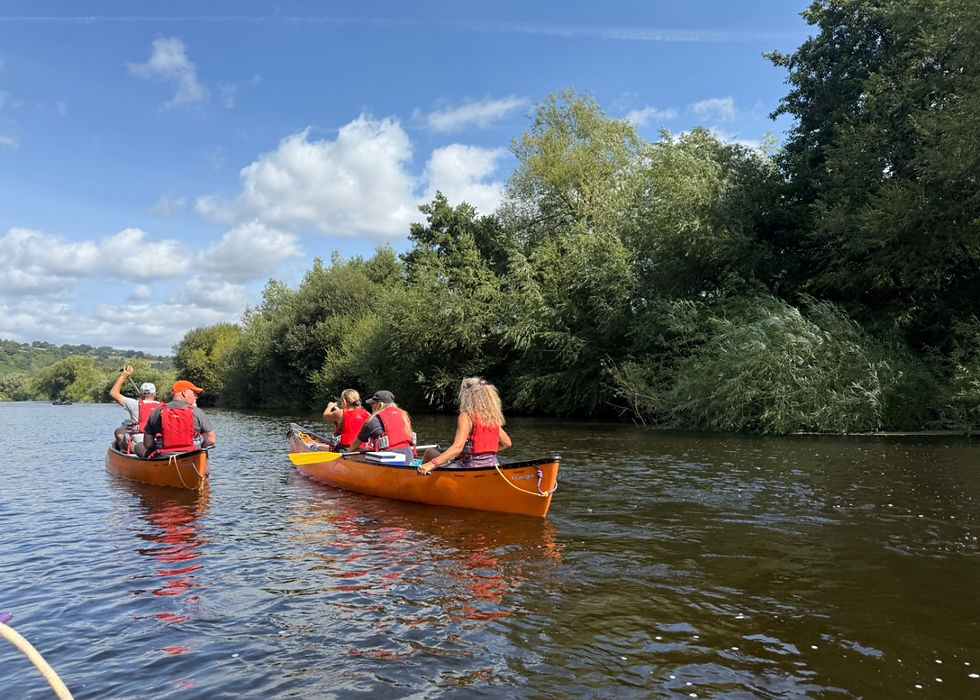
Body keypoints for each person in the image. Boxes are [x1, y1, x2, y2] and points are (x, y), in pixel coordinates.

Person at [417, 377, 512, 475]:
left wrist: (431, 464)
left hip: (469, 468)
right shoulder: (491, 417)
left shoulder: (466, 416)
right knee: (431, 452)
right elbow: (507, 443)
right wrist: (484, 452)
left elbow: (457, 448)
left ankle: (422, 481)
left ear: (466, 395)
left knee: (430, 455)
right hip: (492, 466)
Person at [142, 380, 217, 458]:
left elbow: (148, 443)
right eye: (194, 393)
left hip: (163, 458)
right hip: (191, 457)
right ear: (184, 393)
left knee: (138, 447)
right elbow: (211, 440)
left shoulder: (156, 412)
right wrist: (201, 447)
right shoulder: (197, 412)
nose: (196, 397)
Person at [347, 390, 416, 462]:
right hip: (408, 456)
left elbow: (356, 443)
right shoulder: (404, 415)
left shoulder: (374, 420)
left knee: (355, 450)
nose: (371, 406)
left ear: (379, 404)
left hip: (387, 460)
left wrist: (347, 453)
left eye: (373, 404)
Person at [109, 365, 162, 457]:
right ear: (155, 395)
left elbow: (113, 393)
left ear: (141, 395)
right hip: (159, 440)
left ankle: (125, 453)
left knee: (118, 431)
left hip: (140, 440)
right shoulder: (163, 406)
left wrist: (124, 376)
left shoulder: (134, 404)